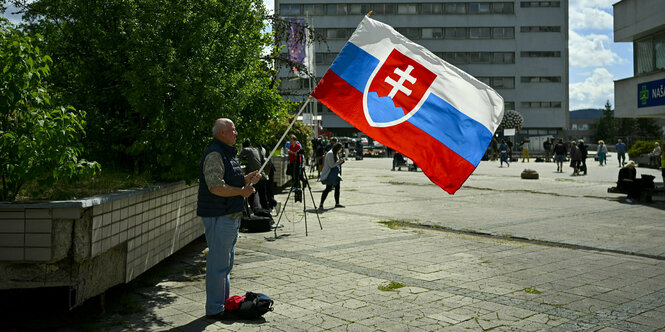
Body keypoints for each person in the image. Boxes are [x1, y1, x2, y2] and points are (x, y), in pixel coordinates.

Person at [197, 118, 261, 319]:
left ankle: (223, 305)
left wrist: (246, 179)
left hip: (229, 216)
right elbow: (215, 187)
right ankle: (215, 309)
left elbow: (229, 181)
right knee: (218, 266)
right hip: (220, 216)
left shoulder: (227, 153)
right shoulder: (215, 153)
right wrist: (242, 192)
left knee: (225, 265)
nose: (236, 133)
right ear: (221, 132)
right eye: (233, 130)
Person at [239, 139, 268, 212]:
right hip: (262, 175)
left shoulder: (246, 150)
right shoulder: (255, 149)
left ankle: (252, 212)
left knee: (250, 197)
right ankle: (267, 214)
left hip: (255, 178)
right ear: (250, 144)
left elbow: (239, 156)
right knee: (263, 197)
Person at [319, 142, 345, 211]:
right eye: (340, 149)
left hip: (335, 174)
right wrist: (339, 161)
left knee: (337, 187)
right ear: (338, 148)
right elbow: (331, 165)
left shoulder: (335, 153)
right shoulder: (330, 154)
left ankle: (337, 203)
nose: (340, 151)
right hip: (330, 174)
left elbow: (335, 163)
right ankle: (321, 203)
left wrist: (339, 159)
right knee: (328, 188)